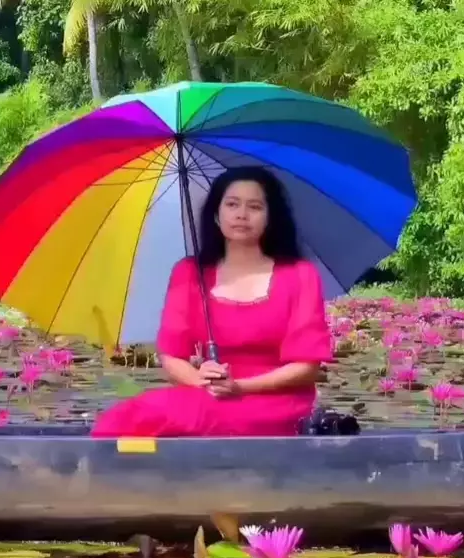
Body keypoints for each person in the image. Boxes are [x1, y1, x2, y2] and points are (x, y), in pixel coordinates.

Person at [92, 166, 333, 438]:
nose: (242, 214)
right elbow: (172, 355)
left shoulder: (299, 275)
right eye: (232, 204)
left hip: (277, 402)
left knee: (184, 415)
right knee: (124, 419)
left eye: (254, 207)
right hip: (209, 395)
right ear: (216, 215)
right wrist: (201, 380)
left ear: (271, 217)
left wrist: (239, 387)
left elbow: (306, 367)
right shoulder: (189, 273)